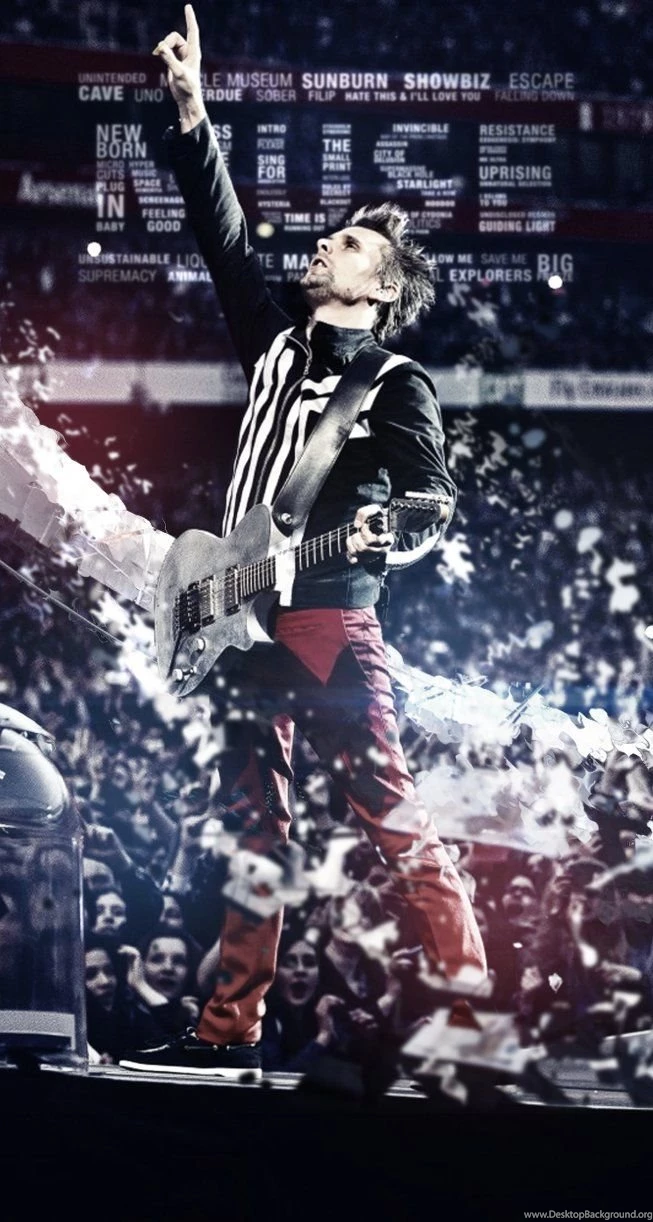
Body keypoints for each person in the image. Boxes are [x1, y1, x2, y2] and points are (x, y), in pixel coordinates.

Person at [120, 4, 486, 1082]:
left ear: (380, 287)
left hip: (329, 618)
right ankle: (229, 1028)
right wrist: (193, 115)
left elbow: (432, 501)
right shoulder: (275, 344)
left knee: (389, 815)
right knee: (252, 829)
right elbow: (224, 238)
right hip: (242, 612)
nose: (325, 243)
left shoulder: (395, 383)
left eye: (350, 243)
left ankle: (471, 1012)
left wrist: (391, 527)